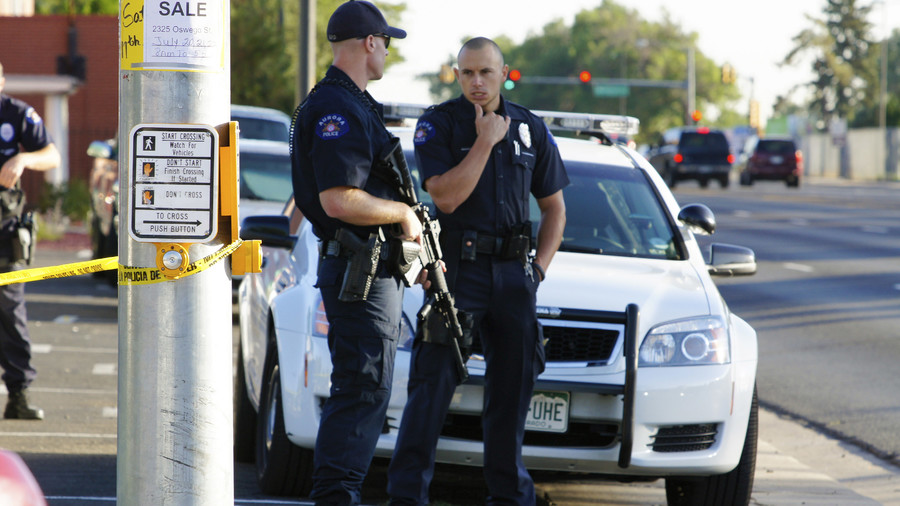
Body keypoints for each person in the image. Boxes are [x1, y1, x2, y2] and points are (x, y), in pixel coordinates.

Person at [388, 37, 568, 505]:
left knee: (511, 399)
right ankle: (407, 497)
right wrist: (486, 142)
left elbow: (555, 210)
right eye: (467, 73)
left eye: (485, 72)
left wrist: (538, 272)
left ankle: (510, 498)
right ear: (457, 75)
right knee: (431, 391)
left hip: (514, 277)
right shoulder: (439, 124)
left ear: (504, 73)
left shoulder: (530, 129)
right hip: (458, 276)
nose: (476, 82)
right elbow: (445, 197)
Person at [289, 2, 415, 504]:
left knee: (366, 389)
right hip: (360, 276)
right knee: (362, 390)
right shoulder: (338, 109)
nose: (387, 51)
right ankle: (337, 497)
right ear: (369, 42)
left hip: (371, 270)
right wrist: (403, 215)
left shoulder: (350, 103)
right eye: (386, 42)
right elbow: (338, 199)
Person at [0, 62, 60, 421]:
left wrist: (23, 158)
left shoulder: (17, 114)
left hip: (4, 232)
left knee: (10, 313)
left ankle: (18, 396)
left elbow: (52, 155)